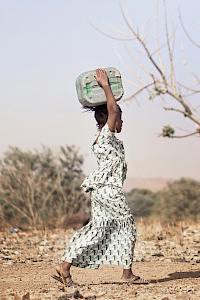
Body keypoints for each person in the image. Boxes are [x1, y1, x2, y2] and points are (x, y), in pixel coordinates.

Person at [52, 68, 148, 286]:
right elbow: (113, 112)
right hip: (108, 189)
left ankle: (65, 266)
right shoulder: (106, 132)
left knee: (98, 228)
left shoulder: (100, 137)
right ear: (110, 119)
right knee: (126, 226)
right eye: (119, 118)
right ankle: (127, 274)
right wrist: (105, 85)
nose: (121, 123)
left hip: (101, 190)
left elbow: (112, 112)